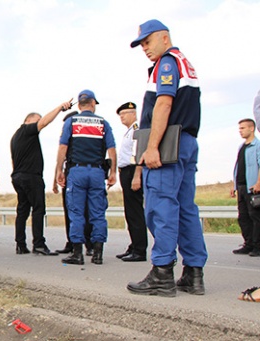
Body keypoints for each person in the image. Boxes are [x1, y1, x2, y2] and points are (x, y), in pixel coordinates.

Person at [127, 19, 208, 297]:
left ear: (164, 37)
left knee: (160, 207)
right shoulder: (185, 62)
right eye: (141, 45)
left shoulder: (166, 63)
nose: (144, 48)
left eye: (148, 42)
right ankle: (194, 274)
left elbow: (164, 102)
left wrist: (152, 147)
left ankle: (162, 272)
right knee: (185, 209)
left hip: (167, 144)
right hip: (186, 141)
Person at [56, 90, 117, 265]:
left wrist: (60, 170)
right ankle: (97, 253)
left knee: (76, 212)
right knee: (98, 213)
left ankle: (77, 253)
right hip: (97, 172)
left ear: (80, 105)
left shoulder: (71, 122)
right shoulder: (103, 123)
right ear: (92, 104)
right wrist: (113, 172)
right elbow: (111, 150)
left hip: (77, 171)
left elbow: (62, 148)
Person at [10, 99, 73, 256]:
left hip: (18, 176)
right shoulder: (26, 130)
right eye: (36, 121)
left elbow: (13, 160)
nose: (39, 124)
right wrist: (59, 108)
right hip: (31, 177)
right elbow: (44, 122)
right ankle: (38, 244)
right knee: (38, 209)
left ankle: (20, 244)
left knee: (23, 210)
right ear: (28, 121)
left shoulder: (15, 137)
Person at [52, 111, 94, 256]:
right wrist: (55, 179)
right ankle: (71, 242)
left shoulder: (84, 137)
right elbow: (60, 159)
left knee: (86, 211)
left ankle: (89, 244)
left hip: (82, 174)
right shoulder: (66, 138)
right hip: (68, 173)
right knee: (69, 210)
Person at [114, 102, 148, 262]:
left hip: (133, 171)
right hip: (126, 172)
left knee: (135, 212)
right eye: (120, 115)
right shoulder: (128, 131)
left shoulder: (136, 130)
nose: (122, 117)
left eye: (125, 113)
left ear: (134, 113)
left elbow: (139, 154)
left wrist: (137, 175)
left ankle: (140, 249)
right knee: (130, 211)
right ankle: (134, 245)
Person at [231, 118, 260, 256]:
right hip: (241, 186)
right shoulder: (241, 147)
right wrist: (234, 185)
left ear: (251, 128)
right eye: (239, 128)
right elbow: (238, 167)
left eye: (243, 128)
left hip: (253, 187)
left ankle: (257, 246)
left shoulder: (257, 145)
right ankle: (248, 244)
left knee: (255, 217)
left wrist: (259, 183)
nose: (240, 131)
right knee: (243, 217)